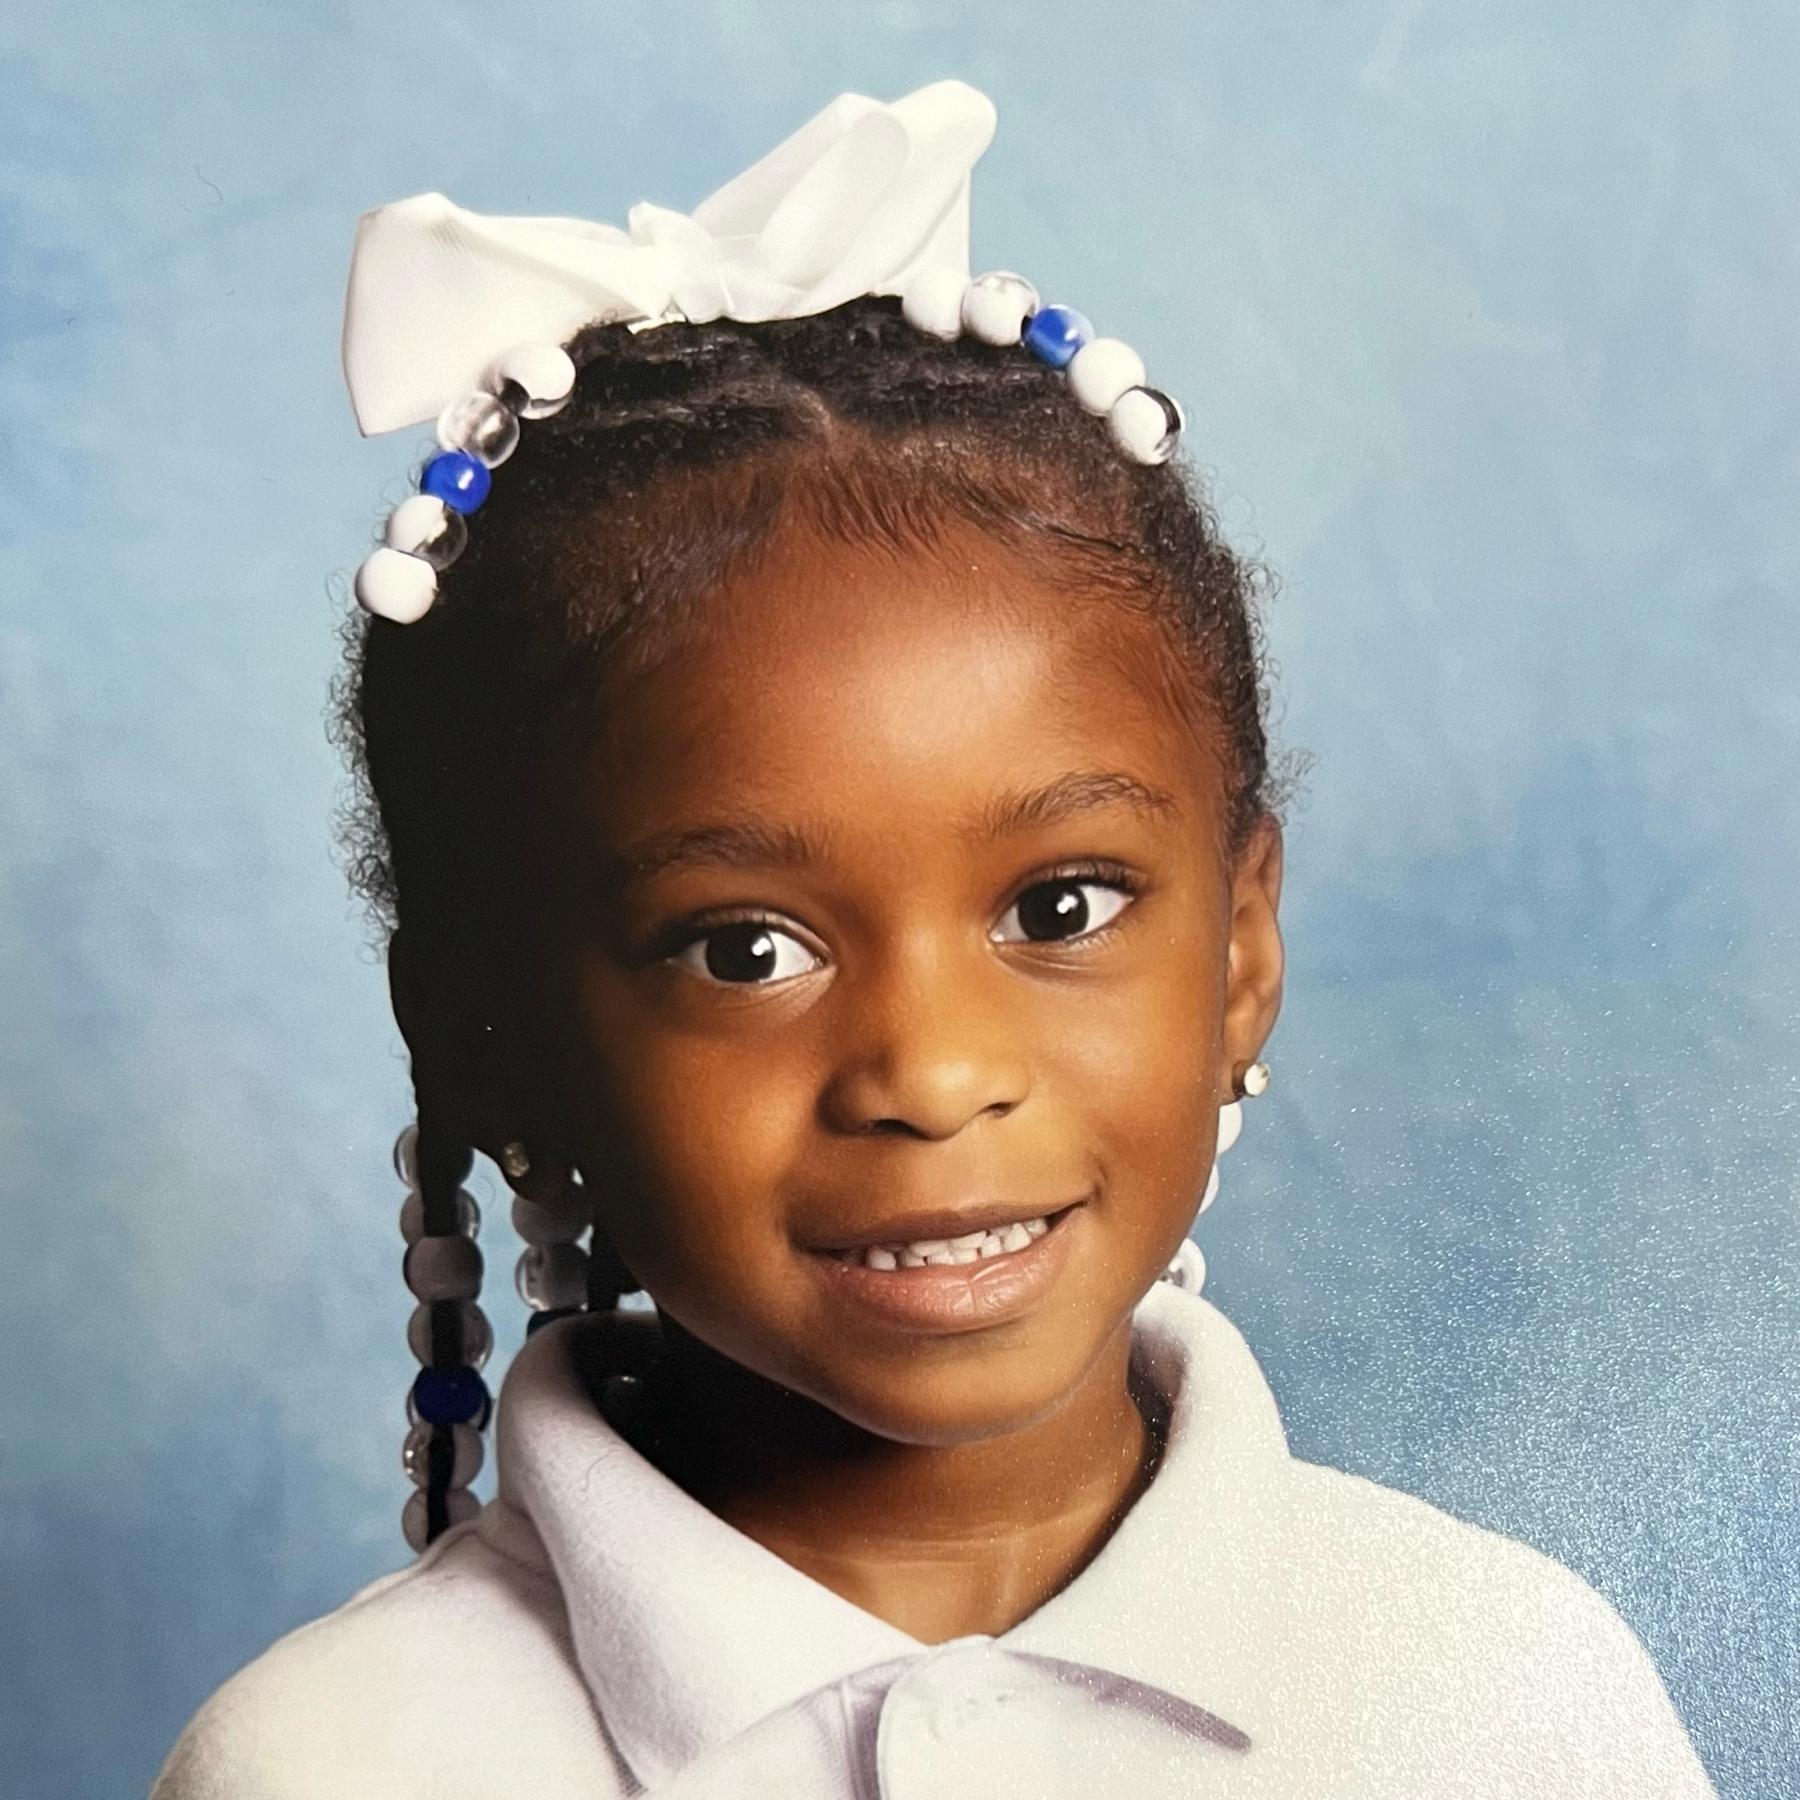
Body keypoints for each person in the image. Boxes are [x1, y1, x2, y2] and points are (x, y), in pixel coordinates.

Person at [148, 80, 1717, 1799]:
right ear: (487, 1037)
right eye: (745, 951)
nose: (935, 1074)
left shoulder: (1507, 1701)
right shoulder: (333, 1763)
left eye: (1061, 908)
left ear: (1241, 954)